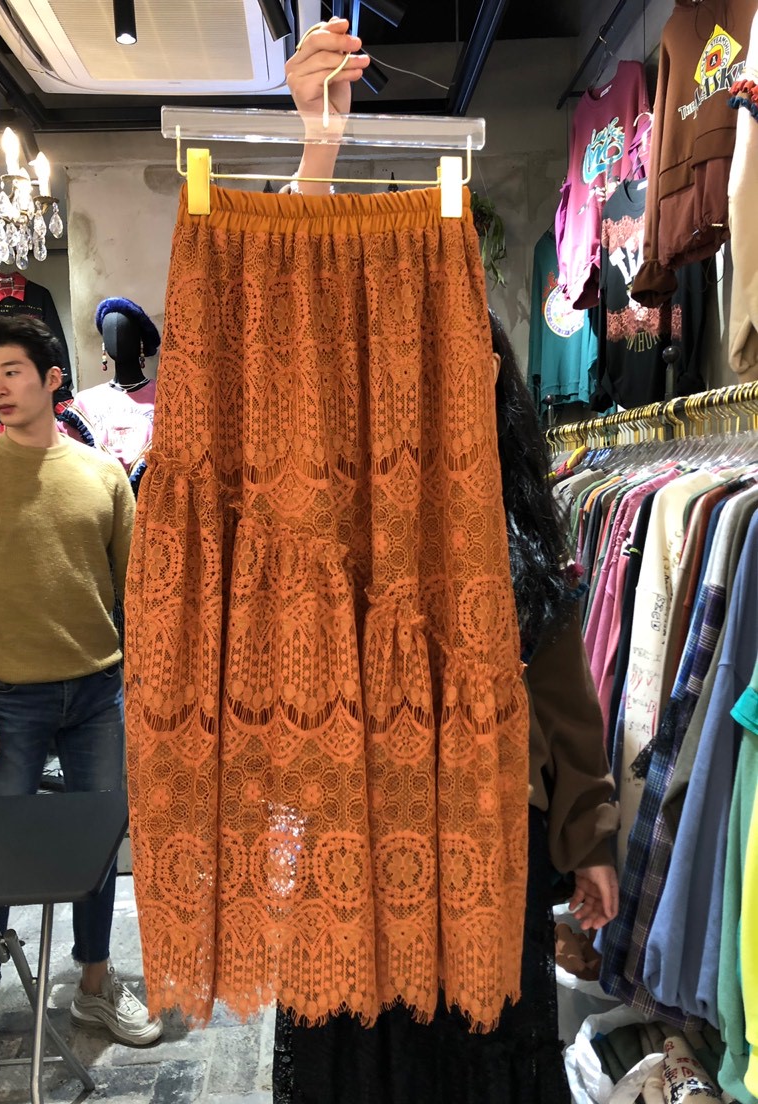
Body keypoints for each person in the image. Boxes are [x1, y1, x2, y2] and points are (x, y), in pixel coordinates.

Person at [271, 20, 620, 1103]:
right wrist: (316, 154)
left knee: (479, 1064)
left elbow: (561, 692)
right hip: (353, 842)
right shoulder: (332, 513)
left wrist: (591, 835)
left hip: (488, 847)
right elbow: (282, 347)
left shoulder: (513, 521)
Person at [0, 314, 162, 1102]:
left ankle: (94, 981)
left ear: (52, 378)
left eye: (12, 372)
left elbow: (137, 593)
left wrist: (146, 684)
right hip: (6, 698)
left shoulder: (103, 476)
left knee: (97, 846)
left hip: (99, 691)